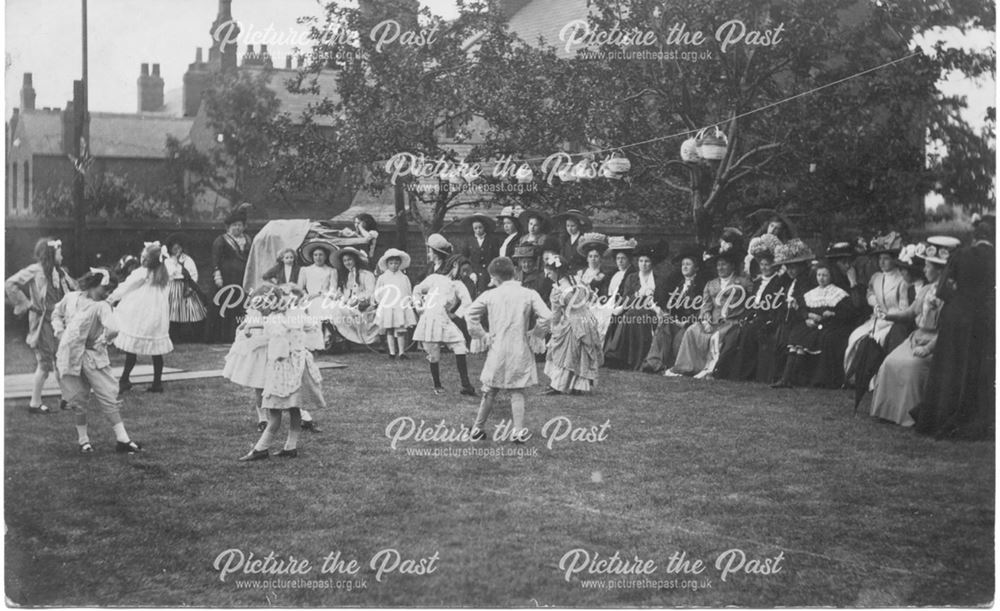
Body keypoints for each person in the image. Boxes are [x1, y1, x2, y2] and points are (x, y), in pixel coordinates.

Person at [911, 223, 995, 440]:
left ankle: (941, 416)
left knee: (950, 366)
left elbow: (942, 290)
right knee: (976, 367)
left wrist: (958, 293)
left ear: (975, 238)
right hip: (983, 319)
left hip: (956, 317)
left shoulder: (961, 254)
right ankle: (974, 419)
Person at [52, 268, 142, 454]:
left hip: (92, 358)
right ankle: (83, 440)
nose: (108, 293)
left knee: (108, 396)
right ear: (93, 284)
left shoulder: (101, 306)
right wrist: (60, 332)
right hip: (70, 357)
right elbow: (56, 313)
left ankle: (122, 439)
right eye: (105, 289)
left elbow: (113, 329)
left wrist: (102, 340)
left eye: (110, 291)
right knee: (78, 398)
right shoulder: (71, 298)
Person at [465, 256, 552, 442]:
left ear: (495, 277)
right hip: (519, 347)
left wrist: (482, 335)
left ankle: (477, 429)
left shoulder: (490, 295)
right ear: (513, 273)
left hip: (497, 347)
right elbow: (547, 316)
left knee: (489, 389)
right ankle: (518, 431)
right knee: (517, 390)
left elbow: (470, 314)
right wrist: (535, 333)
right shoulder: (529, 294)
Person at [239, 285, 327, 461]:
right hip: (299, 363)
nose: (259, 309)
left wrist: (268, 348)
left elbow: (277, 344)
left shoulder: (275, 320)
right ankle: (290, 446)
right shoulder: (291, 314)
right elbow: (310, 325)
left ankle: (261, 449)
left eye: (261, 305)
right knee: (294, 407)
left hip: (283, 367)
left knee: (274, 411)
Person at [869, 245, 946, 426]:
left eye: (928, 267)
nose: (924, 270)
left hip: (936, 342)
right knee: (889, 362)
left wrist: (928, 348)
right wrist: (888, 316)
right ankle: (888, 412)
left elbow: (949, 329)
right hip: (917, 336)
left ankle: (910, 416)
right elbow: (910, 314)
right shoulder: (927, 290)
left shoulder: (950, 294)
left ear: (940, 270)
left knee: (912, 366)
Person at [5, 237, 78, 413]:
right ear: (52, 253)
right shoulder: (35, 270)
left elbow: (74, 289)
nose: (63, 255)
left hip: (59, 322)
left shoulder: (61, 273)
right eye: (60, 252)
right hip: (43, 323)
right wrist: (26, 303)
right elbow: (10, 283)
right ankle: (35, 403)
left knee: (62, 360)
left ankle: (66, 399)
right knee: (44, 364)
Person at [665, 247, 753, 379]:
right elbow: (706, 306)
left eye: (724, 264)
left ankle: (710, 369)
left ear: (732, 266)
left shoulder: (743, 282)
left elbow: (751, 303)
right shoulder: (711, 284)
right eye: (718, 265)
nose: (720, 268)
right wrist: (705, 321)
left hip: (732, 322)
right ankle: (686, 367)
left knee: (716, 337)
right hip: (712, 320)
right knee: (692, 330)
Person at [715, 234, 789, 381]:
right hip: (754, 318)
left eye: (767, 264)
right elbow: (749, 305)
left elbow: (777, 305)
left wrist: (766, 320)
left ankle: (748, 374)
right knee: (740, 332)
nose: (764, 267)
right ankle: (731, 371)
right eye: (762, 264)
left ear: (774, 265)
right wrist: (746, 317)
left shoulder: (778, 282)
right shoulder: (757, 283)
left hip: (769, 320)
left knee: (749, 332)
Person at [772, 262, 854, 389]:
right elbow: (802, 309)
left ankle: (796, 379)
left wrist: (832, 313)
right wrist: (808, 316)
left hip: (830, 325)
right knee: (797, 335)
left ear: (831, 276)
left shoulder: (838, 293)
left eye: (825, 275)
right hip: (813, 323)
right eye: (819, 275)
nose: (821, 278)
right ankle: (786, 378)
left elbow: (847, 313)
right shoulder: (812, 293)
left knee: (810, 338)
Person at [412, 240, 478, 396]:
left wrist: (455, 314)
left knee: (460, 344)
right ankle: (437, 385)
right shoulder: (435, 278)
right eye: (463, 271)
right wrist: (419, 307)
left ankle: (465, 384)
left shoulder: (458, 285)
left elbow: (468, 302)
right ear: (454, 266)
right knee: (433, 353)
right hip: (429, 318)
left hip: (443, 318)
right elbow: (417, 290)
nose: (464, 275)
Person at [110, 241, 173, 393]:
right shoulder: (164, 272)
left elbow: (127, 286)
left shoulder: (142, 272)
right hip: (157, 313)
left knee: (132, 345)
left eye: (144, 256)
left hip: (140, 311)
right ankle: (157, 383)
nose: (142, 258)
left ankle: (125, 379)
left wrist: (111, 298)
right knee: (156, 350)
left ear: (147, 259)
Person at [843, 232, 908, 380]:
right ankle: (855, 376)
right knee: (856, 336)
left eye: (886, 259)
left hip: (893, 320)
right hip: (876, 318)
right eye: (880, 259)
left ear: (894, 260)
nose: (882, 262)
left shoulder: (902, 279)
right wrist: (875, 303)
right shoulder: (876, 277)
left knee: (878, 339)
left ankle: (875, 378)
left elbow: (904, 307)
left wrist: (889, 314)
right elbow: (869, 293)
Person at [542, 255, 603, 395]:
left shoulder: (558, 291)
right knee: (580, 354)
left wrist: (554, 328)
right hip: (587, 320)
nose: (547, 275)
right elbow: (591, 295)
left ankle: (559, 385)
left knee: (565, 354)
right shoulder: (577, 280)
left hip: (573, 322)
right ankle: (578, 386)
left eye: (549, 272)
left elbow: (556, 314)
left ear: (557, 272)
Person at [642, 247, 706, 373]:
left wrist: (686, 322)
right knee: (663, 328)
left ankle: (674, 364)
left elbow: (702, 309)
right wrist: (667, 314)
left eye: (688, 264)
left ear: (696, 268)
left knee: (679, 336)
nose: (684, 267)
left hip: (690, 323)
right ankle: (654, 362)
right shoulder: (679, 284)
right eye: (683, 264)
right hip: (675, 321)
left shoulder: (701, 285)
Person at [604, 244, 664, 370]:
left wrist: (651, 300)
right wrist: (637, 294)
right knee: (630, 315)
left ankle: (637, 358)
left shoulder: (658, 280)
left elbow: (661, 300)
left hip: (650, 311)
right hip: (632, 308)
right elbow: (625, 298)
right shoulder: (632, 278)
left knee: (637, 316)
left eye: (647, 261)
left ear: (651, 263)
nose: (644, 264)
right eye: (641, 261)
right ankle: (619, 356)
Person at [222, 288, 273, 433]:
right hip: (257, 350)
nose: (260, 307)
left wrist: (251, 326)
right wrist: (242, 328)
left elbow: (271, 325)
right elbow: (247, 322)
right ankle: (262, 418)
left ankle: (300, 414)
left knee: (278, 384)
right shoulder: (254, 312)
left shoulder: (275, 313)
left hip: (272, 348)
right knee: (259, 384)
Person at [770, 239, 817, 379]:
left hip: (801, 319)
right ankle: (778, 376)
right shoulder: (789, 280)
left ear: (802, 267)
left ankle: (789, 377)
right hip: (788, 319)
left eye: (794, 267)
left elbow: (804, 303)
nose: (790, 271)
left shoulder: (805, 282)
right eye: (788, 267)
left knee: (790, 339)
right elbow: (777, 287)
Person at [210, 203, 252, 342]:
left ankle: (240, 333)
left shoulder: (248, 239)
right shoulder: (221, 240)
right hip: (227, 279)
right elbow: (215, 259)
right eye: (234, 225)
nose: (237, 228)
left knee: (241, 304)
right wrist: (217, 274)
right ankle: (225, 336)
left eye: (240, 225)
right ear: (228, 227)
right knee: (227, 304)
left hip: (243, 278)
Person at [328, 247, 379, 347]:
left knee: (347, 311)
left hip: (364, 304)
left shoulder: (366, 274)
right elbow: (346, 292)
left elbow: (370, 292)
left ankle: (363, 339)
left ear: (355, 260)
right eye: (345, 261)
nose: (347, 263)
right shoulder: (346, 276)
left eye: (350, 259)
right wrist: (342, 298)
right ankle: (343, 339)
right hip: (349, 304)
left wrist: (358, 300)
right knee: (335, 309)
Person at [373, 248, 417, 360]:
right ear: (387, 264)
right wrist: (380, 302)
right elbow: (378, 291)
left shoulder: (404, 277)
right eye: (391, 263)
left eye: (396, 263)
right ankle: (392, 352)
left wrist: (408, 302)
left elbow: (408, 291)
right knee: (390, 329)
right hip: (388, 306)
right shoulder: (383, 278)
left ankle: (402, 352)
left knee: (400, 329)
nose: (394, 266)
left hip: (400, 306)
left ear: (400, 264)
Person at [164, 233, 207, 343]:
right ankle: (173, 335)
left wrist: (191, 288)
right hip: (173, 288)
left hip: (186, 287)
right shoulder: (167, 260)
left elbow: (193, 273)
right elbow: (168, 273)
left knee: (190, 311)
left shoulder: (187, 259)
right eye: (174, 248)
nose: (176, 250)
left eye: (179, 247)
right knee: (173, 311)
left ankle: (192, 336)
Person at [512, 244, 552, 358]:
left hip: (534, 314)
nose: (526, 265)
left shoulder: (542, 279)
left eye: (529, 262)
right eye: (523, 262)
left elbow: (545, 300)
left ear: (534, 262)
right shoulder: (515, 276)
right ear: (519, 262)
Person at [601, 236, 638, 349]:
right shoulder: (614, 274)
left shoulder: (632, 274)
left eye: (623, 258)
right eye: (618, 258)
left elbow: (629, 294)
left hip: (622, 304)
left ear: (629, 259)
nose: (620, 261)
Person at [574, 233, 612, 338]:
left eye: (596, 256)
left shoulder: (603, 275)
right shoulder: (580, 273)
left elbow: (604, 295)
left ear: (600, 258)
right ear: (587, 259)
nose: (593, 259)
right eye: (590, 256)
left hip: (596, 307)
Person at [459, 214, 499, 296]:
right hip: (474, 274)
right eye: (475, 228)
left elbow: (496, 258)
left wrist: (494, 275)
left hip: (488, 274)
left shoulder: (492, 240)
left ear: (484, 227)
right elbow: (463, 258)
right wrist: (470, 272)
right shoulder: (469, 241)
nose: (478, 230)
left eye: (480, 227)